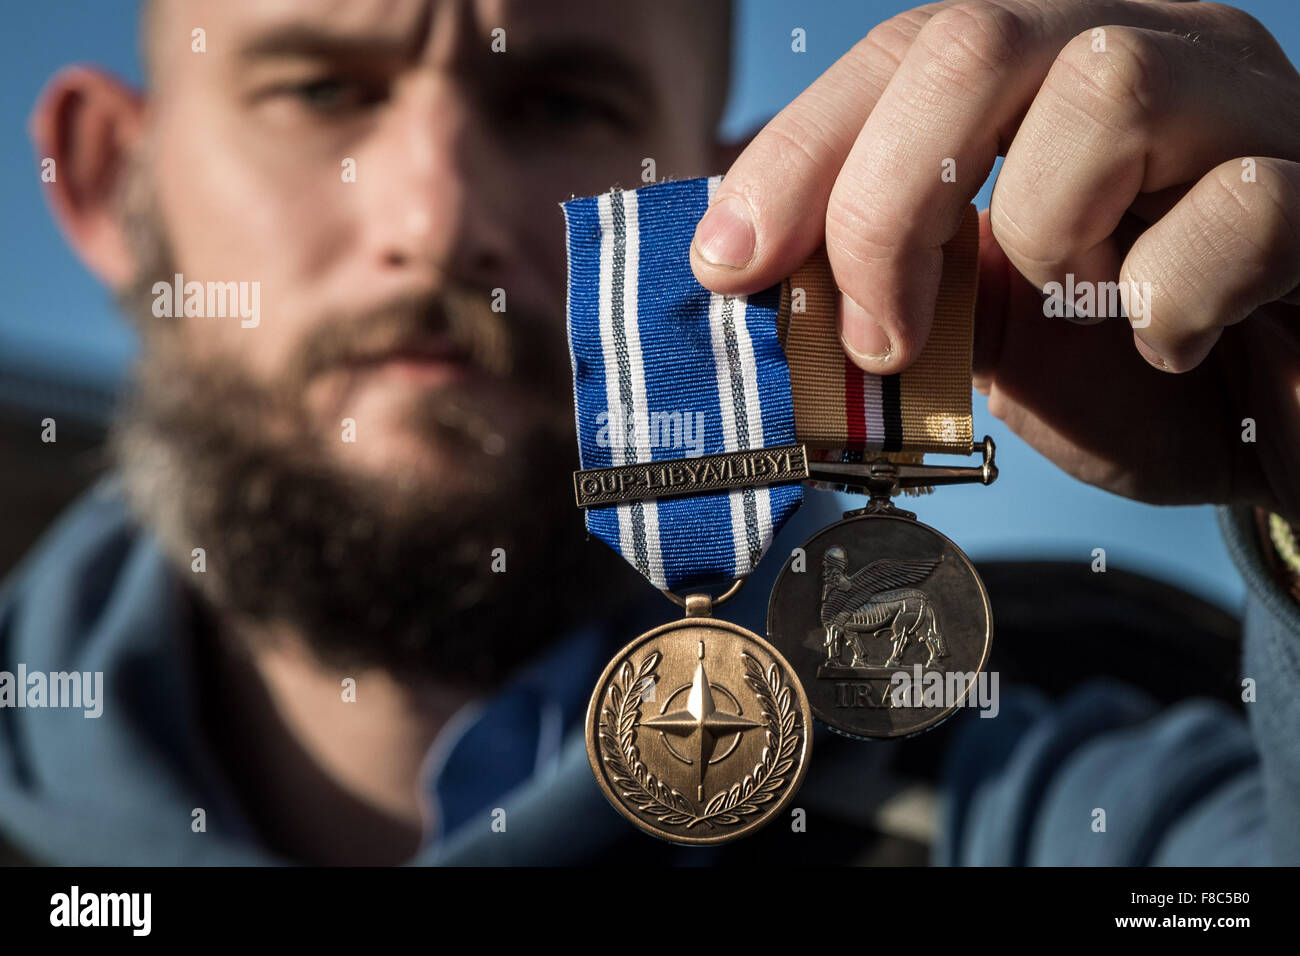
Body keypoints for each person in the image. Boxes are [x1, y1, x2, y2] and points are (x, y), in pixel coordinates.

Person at [0, 0, 1296, 865]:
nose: (441, 221)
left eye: (562, 104)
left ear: (729, 218)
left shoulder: (1016, 801)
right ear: (116, 176)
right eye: (322, 89)